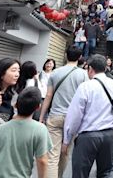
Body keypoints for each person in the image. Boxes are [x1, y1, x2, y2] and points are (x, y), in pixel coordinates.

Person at [62, 55, 113, 178]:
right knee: (106, 171)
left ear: (90, 68)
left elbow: (75, 115)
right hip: (109, 134)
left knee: (80, 173)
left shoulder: (85, 86)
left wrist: (67, 139)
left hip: (88, 135)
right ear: (105, 68)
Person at [0, 87, 52, 178]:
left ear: (15, 105)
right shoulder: (40, 130)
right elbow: (42, 161)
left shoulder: (0, 129)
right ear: (38, 107)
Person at [39, 46, 88, 178]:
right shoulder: (83, 74)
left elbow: (48, 96)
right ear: (79, 58)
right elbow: (85, 98)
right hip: (73, 119)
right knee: (65, 151)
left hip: (55, 116)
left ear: (66, 55)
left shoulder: (55, 72)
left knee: (52, 154)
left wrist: (41, 117)